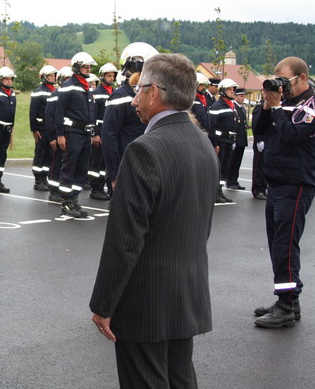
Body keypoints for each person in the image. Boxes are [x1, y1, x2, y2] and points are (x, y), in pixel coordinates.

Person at [90, 53, 219, 389]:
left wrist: (103, 305)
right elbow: (200, 226)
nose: (134, 99)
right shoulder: (203, 144)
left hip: (145, 304)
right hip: (185, 296)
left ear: (155, 92)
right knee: (180, 379)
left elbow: (125, 239)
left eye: (139, 88)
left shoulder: (144, 149)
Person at [252, 56, 315, 328]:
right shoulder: (283, 104)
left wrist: (277, 107)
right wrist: (267, 105)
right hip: (277, 183)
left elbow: (292, 135)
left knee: (285, 247)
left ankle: (287, 305)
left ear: (301, 78)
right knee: (277, 245)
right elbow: (257, 130)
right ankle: (289, 299)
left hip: (296, 184)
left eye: (285, 80)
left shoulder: (311, 106)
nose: (281, 86)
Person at [101, 42, 156, 192]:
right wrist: (114, 174)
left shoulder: (153, 96)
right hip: (126, 168)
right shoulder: (120, 97)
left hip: (147, 167)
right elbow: (109, 136)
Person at [55, 52, 95, 218]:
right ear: (77, 67)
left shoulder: (87, 87)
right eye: (85, 66)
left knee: (82, 168)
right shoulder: (68, 85)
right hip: (72, 133)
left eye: (90, 67)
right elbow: (59, 111)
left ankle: (74, 200)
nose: (88, 69)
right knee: (69, 167)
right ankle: (66, 203)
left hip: (86, 134)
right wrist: (60, 135)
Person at [89, 62, 117, 200]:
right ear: (102, 76)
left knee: (106, 162)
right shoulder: (97, 93)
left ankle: (103, 187)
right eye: (109, 76)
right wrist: (94, 134)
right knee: (97, 162)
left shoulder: (114, 92)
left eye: (113, 76)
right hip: (100, 131)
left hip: (109, 132)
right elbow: (92, 115)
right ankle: (95, 188)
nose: (111, 78)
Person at [45, 66, 72, 203]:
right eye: (66, 79)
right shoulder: (54, 95)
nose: (68, 81)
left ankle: (63, 190)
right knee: (56, 164)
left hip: (69, 136)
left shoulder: (73, 95)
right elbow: (49, 118)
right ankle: (53, 190)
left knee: (66, 165)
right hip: (57, 136)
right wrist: (52, 137)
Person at [209, 78, 238, 203]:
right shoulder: (217, 106)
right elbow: (212, 127)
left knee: (225, 167)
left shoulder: (232, 106)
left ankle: (220, 190)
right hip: (220, 141)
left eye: (233, 89)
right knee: (219, 167)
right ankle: (214, 192)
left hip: (229, 141)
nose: (232, 92)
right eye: (229, 89)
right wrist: (215, 144)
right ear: (222, 91)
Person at [29, 64, 57, 191]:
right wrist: (34, 129)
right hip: (41, 128)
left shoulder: (55, 91)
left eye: (53, 75)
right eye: (50, 76)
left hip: (51, 128)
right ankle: (38, 180)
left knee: (49, 154)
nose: (52, 78)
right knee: (40, 153)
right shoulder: (38, 92)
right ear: (44, 77)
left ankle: (44, 178)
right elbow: (33, 112)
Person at [226, 87, 248, 190]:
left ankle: (235, 180)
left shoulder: (242, 108)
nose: (243, 98)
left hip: (242, 139)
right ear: (235, 96)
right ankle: (230, 181)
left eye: (244, 96)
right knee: (232, 161)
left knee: (238, 161)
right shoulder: (233, 107)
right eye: (241, 96)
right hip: (236, 138)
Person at [251, 96, 268, 200]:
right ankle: (257, 189)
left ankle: (263, 188)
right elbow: (256, 124)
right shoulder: (259, 107)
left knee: (266, 167)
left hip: (268, 141)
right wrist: (259, 140)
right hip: (261, 141)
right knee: (259, 166)